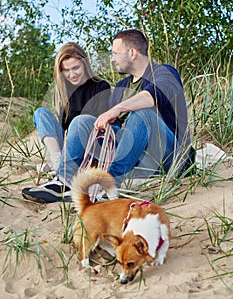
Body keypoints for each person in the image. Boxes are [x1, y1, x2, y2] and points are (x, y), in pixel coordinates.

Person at [22, 30, 195, 203]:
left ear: (132, 52)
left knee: (143, 113)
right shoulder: (121, 86)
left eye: (115, 53)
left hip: (172, 156)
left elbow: (152, 95)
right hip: (137, 159)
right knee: (82, 121)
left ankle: (110, 183)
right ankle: (64, 182)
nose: (112, 59)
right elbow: (115, 129)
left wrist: (117, 109)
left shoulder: (164, 72)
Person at [22, 42, 111, 202]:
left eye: (76, 68)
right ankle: (58, 163)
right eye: (66, 70)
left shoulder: (100, 86)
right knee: (40, 113)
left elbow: (102, 128)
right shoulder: (62, 90)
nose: (72, 74)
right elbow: (63, 127)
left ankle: (64, 178)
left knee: (80, 121)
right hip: (68, 147)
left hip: (90, 147)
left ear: (85, 64)